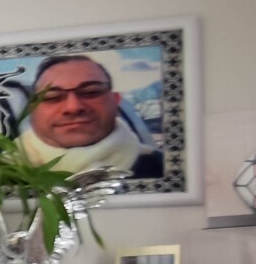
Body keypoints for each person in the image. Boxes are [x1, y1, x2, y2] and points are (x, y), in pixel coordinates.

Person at [15, 53, 162, 180]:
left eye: (91, 92)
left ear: (116, 101)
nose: (73, 107)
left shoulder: (158, 167)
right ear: (32, 110)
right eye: (53, 97)